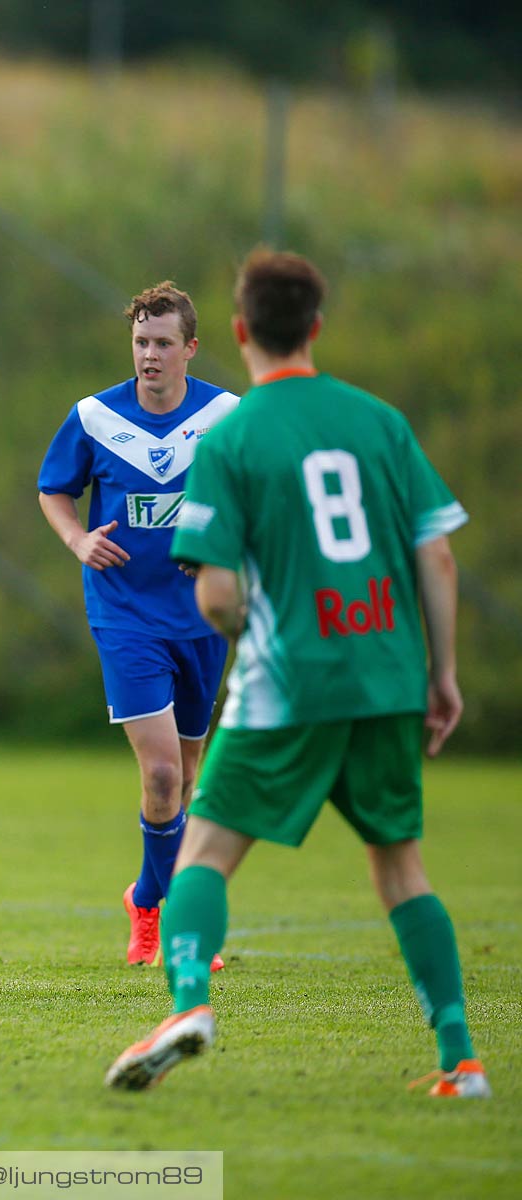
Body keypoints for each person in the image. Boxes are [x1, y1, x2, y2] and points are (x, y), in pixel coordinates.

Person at [105, 250, 486, 1098]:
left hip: (290, 680)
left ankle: (189, 1003)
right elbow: (438, 554)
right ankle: (460, 1058)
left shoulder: (233, 434)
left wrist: (241, 617)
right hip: (391, 675)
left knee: (203, 847)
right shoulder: (381, 422)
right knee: (401, 867)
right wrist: (443, 673)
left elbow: (218, 594)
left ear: (236, 333)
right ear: (316, 327)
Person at [38, 282, 236, 972]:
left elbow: (253, 495)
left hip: (202, 616)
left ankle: (145, 894)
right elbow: (55, 490)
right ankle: (173, 915)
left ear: (190, 348)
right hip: (124, 612)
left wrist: (223, 554)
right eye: (140, 343)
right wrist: (77, 540)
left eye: (162, 343)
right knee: (158, 775)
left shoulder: (226, 416)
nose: (149, 356)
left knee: (186, 777)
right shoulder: (95, 418)